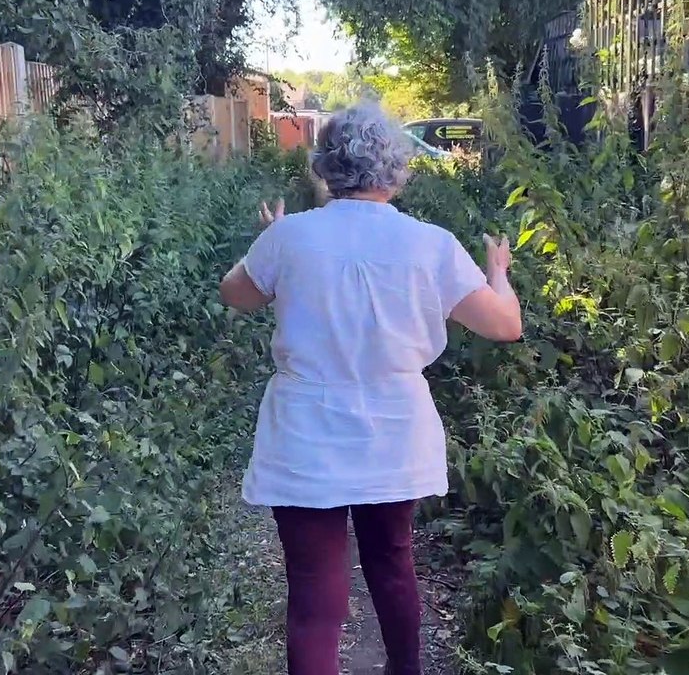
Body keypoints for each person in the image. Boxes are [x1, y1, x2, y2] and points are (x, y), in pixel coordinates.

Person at [218, 102, 522, 675]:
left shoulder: (291, 237)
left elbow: (236, 294)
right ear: (397, 168)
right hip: (394, 428)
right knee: (392, 562)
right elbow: (506, 325)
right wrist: (498, 270)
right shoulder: (430, 244)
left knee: (314, 594)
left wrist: (270, 242)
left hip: (306, 430)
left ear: (324, 166)